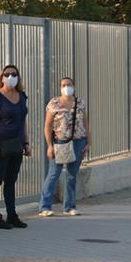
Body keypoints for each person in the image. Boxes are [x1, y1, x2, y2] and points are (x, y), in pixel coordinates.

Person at [0, 64, 31, 229]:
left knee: (11, 180)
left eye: (14, 74)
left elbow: (23, 122)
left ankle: (12, 215)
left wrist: (26, 143)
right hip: (1, 144)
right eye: (7, 74)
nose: (10, 76)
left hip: (17, 144)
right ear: (1, 77)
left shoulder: (22, 96)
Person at [39, 77, 90, 217]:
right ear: (60, 87)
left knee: (72, 175)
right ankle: (44, 206)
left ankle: (69, 206)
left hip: (78, 141)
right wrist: (49, 146)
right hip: (60, 142)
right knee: (53, 174)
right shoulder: (54, 103)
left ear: (74, 86)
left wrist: (88, 143)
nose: (66, 87)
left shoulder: (80, 103)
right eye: (63, 85)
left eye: (69, 84)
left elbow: (86, 124)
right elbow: (47, 126)